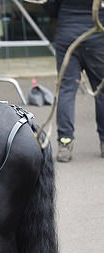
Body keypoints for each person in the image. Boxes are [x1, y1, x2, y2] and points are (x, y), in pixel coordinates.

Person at [48, 0, 104, 162]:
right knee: (101, 91)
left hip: (68, 33)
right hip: (97, 35)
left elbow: (50, 5)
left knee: (66, 90)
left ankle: (65, 144)